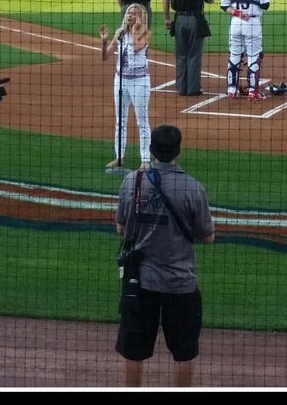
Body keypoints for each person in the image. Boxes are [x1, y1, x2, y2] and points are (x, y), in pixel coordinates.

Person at [115, 124, 215, 387]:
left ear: (151, 150)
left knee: (133, 351)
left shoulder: (131, 181)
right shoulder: (193, 188)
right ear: (179, 151)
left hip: (139, 284)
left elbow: (120, 227)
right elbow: (208, 236)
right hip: (180, 283)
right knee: (183, 353)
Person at [99, 3, 152, 171]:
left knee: (142, 121)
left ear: (141, 18)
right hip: (120, 80)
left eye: (135, 14)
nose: (131, 16)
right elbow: (105, 56)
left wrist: (136, 28)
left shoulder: (144, 33)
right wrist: (105, 41)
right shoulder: (120, 33)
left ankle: (145, 160)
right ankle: (119, 157)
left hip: (140, 81)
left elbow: (137, 48)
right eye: (129, 13)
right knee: (120, 120)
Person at [163, 0, 214, 96]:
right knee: (194, 54)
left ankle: (181, 87)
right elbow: (210, 0)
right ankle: (192, 89)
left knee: (180, 54)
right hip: (196, 20)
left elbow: (166, 0)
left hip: (179, 19)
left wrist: (167, 19)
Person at [220, 0, 270, 100]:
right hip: (252, 24)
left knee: (234, 56)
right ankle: (252, 92)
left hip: (236, 23)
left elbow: (224, 5)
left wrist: (238, 13)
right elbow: (265, 5)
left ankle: (231, 90)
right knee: (254, 56)